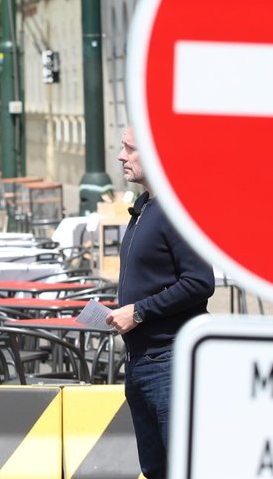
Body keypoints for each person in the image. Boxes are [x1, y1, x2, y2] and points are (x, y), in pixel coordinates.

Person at [105, 126, 214, 479]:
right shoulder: (144, 208)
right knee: (156, 469)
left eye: (130, 149)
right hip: (141, 361)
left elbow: (199, 282)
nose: (122, 156)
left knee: (182, 467)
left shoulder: (174, 210)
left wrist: (138, 311)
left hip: (170, 361)